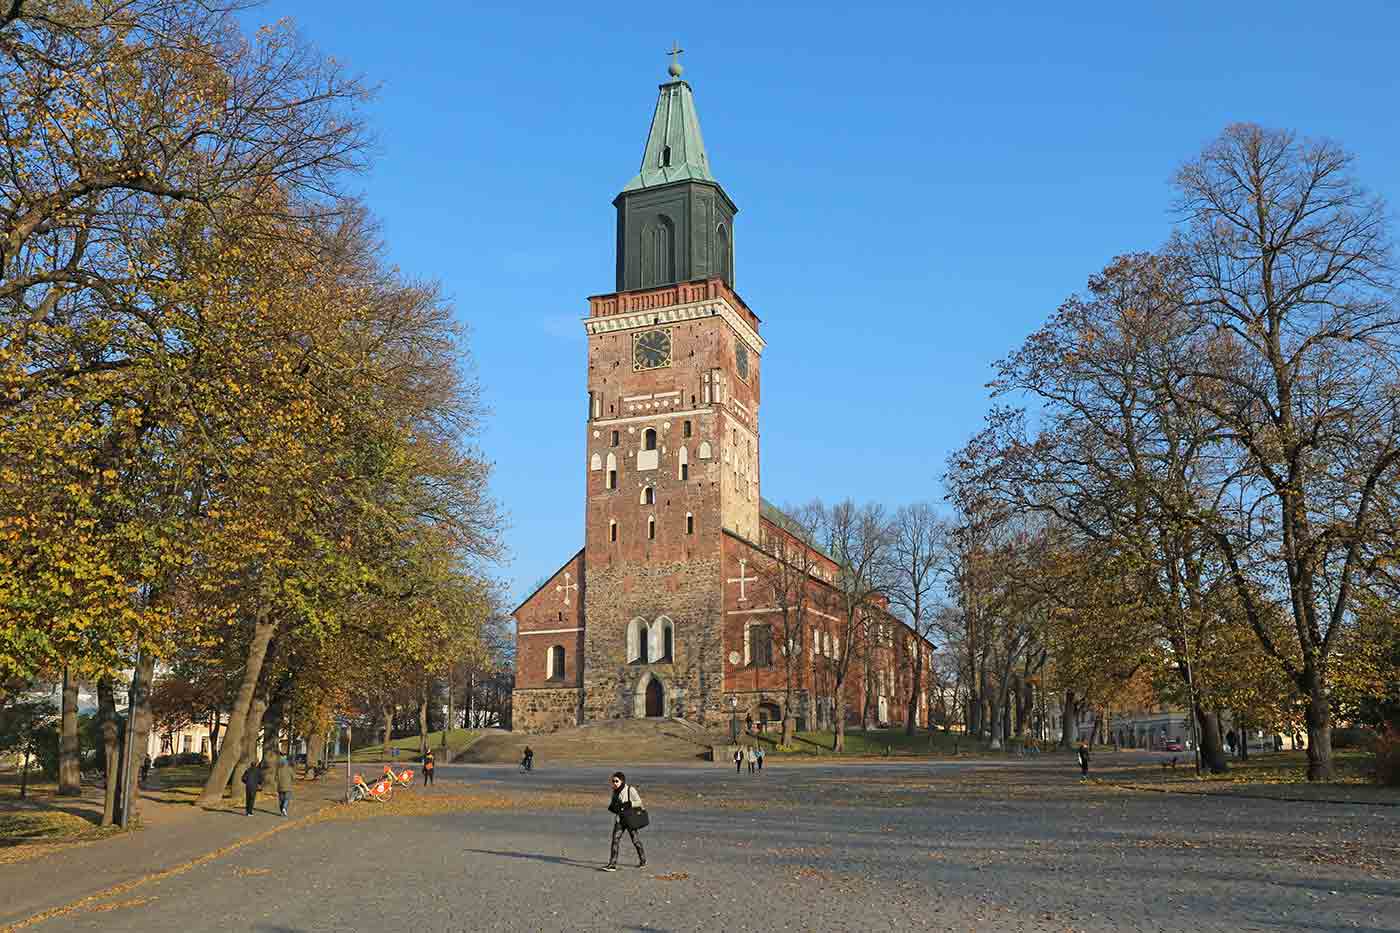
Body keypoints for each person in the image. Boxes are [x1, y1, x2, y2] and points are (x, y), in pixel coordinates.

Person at [602, 771, 645, 872]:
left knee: (635, 841)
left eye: (616, 781)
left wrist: (628, 804)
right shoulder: (615, 791)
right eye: (612, 781)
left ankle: (643, 860)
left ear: (622, 781)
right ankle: (612, 864)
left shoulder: (630, 789)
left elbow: (639, 802)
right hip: (620, 820)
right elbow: (614, 806)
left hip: (630, 820)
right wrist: (613, 807)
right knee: (615, 840)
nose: (614, 783)